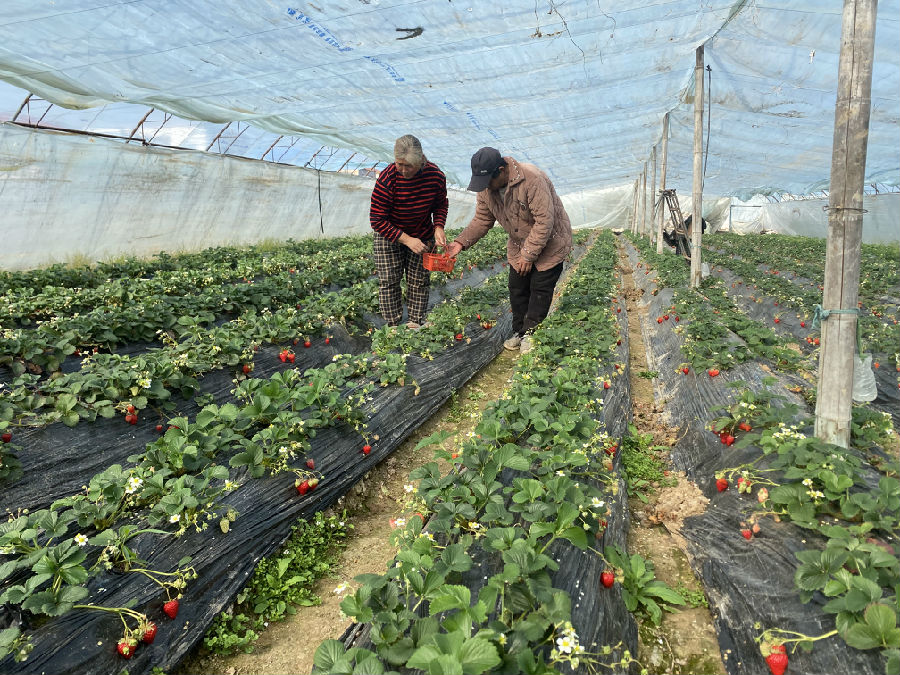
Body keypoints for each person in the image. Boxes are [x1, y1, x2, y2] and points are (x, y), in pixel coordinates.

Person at [446, 147, 572, 353]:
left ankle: (531, 334)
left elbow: (544, 221)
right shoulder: (486, 189)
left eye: (488, 181)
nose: (486, 187)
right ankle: (519, 332)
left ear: (501, 170)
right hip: (519, 241)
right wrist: (460, 242)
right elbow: (482, 219)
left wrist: (528, 255)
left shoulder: (532, 179)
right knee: (517, 286)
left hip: (551, 242)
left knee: (540, 288)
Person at [370, 135, 449, 328]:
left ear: (421, 160)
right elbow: (377, 219)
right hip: (389, 235)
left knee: (419, 280)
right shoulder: (388, 178)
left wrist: (438, 226)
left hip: (422, 233)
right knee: (389, 280)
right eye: (400, 164)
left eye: (409, 166)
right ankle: (392, 326)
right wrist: (406, 239)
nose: (404, 170)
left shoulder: (436, 176)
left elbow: (440, 204)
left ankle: (415, 323)